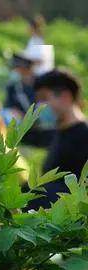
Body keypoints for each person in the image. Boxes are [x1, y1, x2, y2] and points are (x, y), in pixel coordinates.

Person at [29, 69, 88, 209]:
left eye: (44, 99)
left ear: (65, 96)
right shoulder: (57, 132)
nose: (40, 106)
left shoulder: (84, 135)